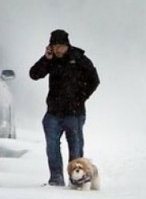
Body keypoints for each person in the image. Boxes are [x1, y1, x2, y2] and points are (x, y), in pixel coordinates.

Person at [29, 29, 100, 186]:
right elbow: (34, 74)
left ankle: (77, 180)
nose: (58, 50)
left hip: (74, 113)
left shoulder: (79, 58)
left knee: (75, 147)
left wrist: (81, 97)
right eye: (55, 46)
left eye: (61, 46)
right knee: (52, 147)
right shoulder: (51, 60)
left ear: (67, 45)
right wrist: (46, 59)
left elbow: (94, 80)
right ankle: (56, 179)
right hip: (53, 112)